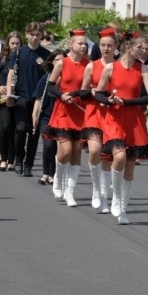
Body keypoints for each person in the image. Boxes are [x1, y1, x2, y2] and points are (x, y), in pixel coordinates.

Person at [95, 34, 148, 224]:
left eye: (146, 48)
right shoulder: (110, 67)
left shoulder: (143, 68)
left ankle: (122, 208)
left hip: (134, 119)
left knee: (130, 165)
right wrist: (109, 100)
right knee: (119, 156)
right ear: (129, 47)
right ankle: (115, 196)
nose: (145, 51)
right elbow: (98, 93)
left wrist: (128, 102)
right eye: (142, 47)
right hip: (114, 118)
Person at [43, 29, 89, 206]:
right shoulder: (62, 63)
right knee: (66, 151)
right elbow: (51, 86)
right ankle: (58, 176)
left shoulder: (88, 64)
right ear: (71, 44)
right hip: (63, 111)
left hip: (80, 112)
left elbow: (87, 89)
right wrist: (62, 95)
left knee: (77, 152)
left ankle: (70, 193)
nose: (83, 46)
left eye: (85, 43)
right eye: (80, 43)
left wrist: (77, 93)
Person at [79, 28, 118, 210]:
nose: (106, 49)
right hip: (94, 111)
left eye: (109, 45)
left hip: (112, 113)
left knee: (107, 157)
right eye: (103, 45)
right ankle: (96, 188)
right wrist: (94, 92)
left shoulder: (118, 66)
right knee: (94, 150)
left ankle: (104, 195)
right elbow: (83, 91)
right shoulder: (91, 66)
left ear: (116, 47)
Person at [5, 23, 51, 177]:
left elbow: (50, 77)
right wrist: (9, 95)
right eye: (32, 34)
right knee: (20, 130)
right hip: (21, 97)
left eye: (37, 34)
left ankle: (28, 165)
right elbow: (11, 73)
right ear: (26, 34)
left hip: (38, 98)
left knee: (33, 133)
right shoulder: (19, 53)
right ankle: (18, 159)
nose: (34, 37)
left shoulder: (45, 54)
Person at [0, 32, 22, 171]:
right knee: (4, 127)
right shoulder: (2, 59)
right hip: (3, 98)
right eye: (12, 43)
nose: (15, 46)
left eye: (17, 43)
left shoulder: (22, 58)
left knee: (15, 130)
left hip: (19, 97)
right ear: (8, 44)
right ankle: (2, 156)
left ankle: (11, 159)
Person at [32, 50, 64, 186]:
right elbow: (39, 97)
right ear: (52, 62)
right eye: (57, 60)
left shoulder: (67, 79)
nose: (60, 63)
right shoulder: (46, 78)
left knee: (58, 147)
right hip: (46, 116)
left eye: (62, 60)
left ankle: (54, 174)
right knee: (48, 145)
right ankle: (46, 173)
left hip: (61, 117)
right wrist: (34, 114)